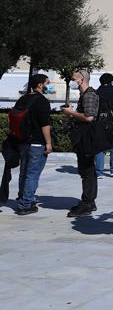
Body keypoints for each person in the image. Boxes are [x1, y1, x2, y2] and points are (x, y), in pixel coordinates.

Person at [9, 74, 54, 215]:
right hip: (36, 143)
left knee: (24, 173)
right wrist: (48, 143)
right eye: (48, 83)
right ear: (40, 85)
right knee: (32, 174)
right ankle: (26, 204)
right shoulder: (42, 101)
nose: (49, 85)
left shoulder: (23, 99)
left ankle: (23, 197)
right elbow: (44, 125)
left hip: (22, 142)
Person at [60, 69, 102, 217]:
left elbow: (89, 117)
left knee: (87, 170)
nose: (72, 81)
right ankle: (89, 201)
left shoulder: (89, 95)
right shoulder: (85, 94)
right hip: (84, 137)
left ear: (82, 79)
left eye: (74, 78)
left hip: (87, 138)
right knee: (86, 169)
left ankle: (88, 202)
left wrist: (71, 112)